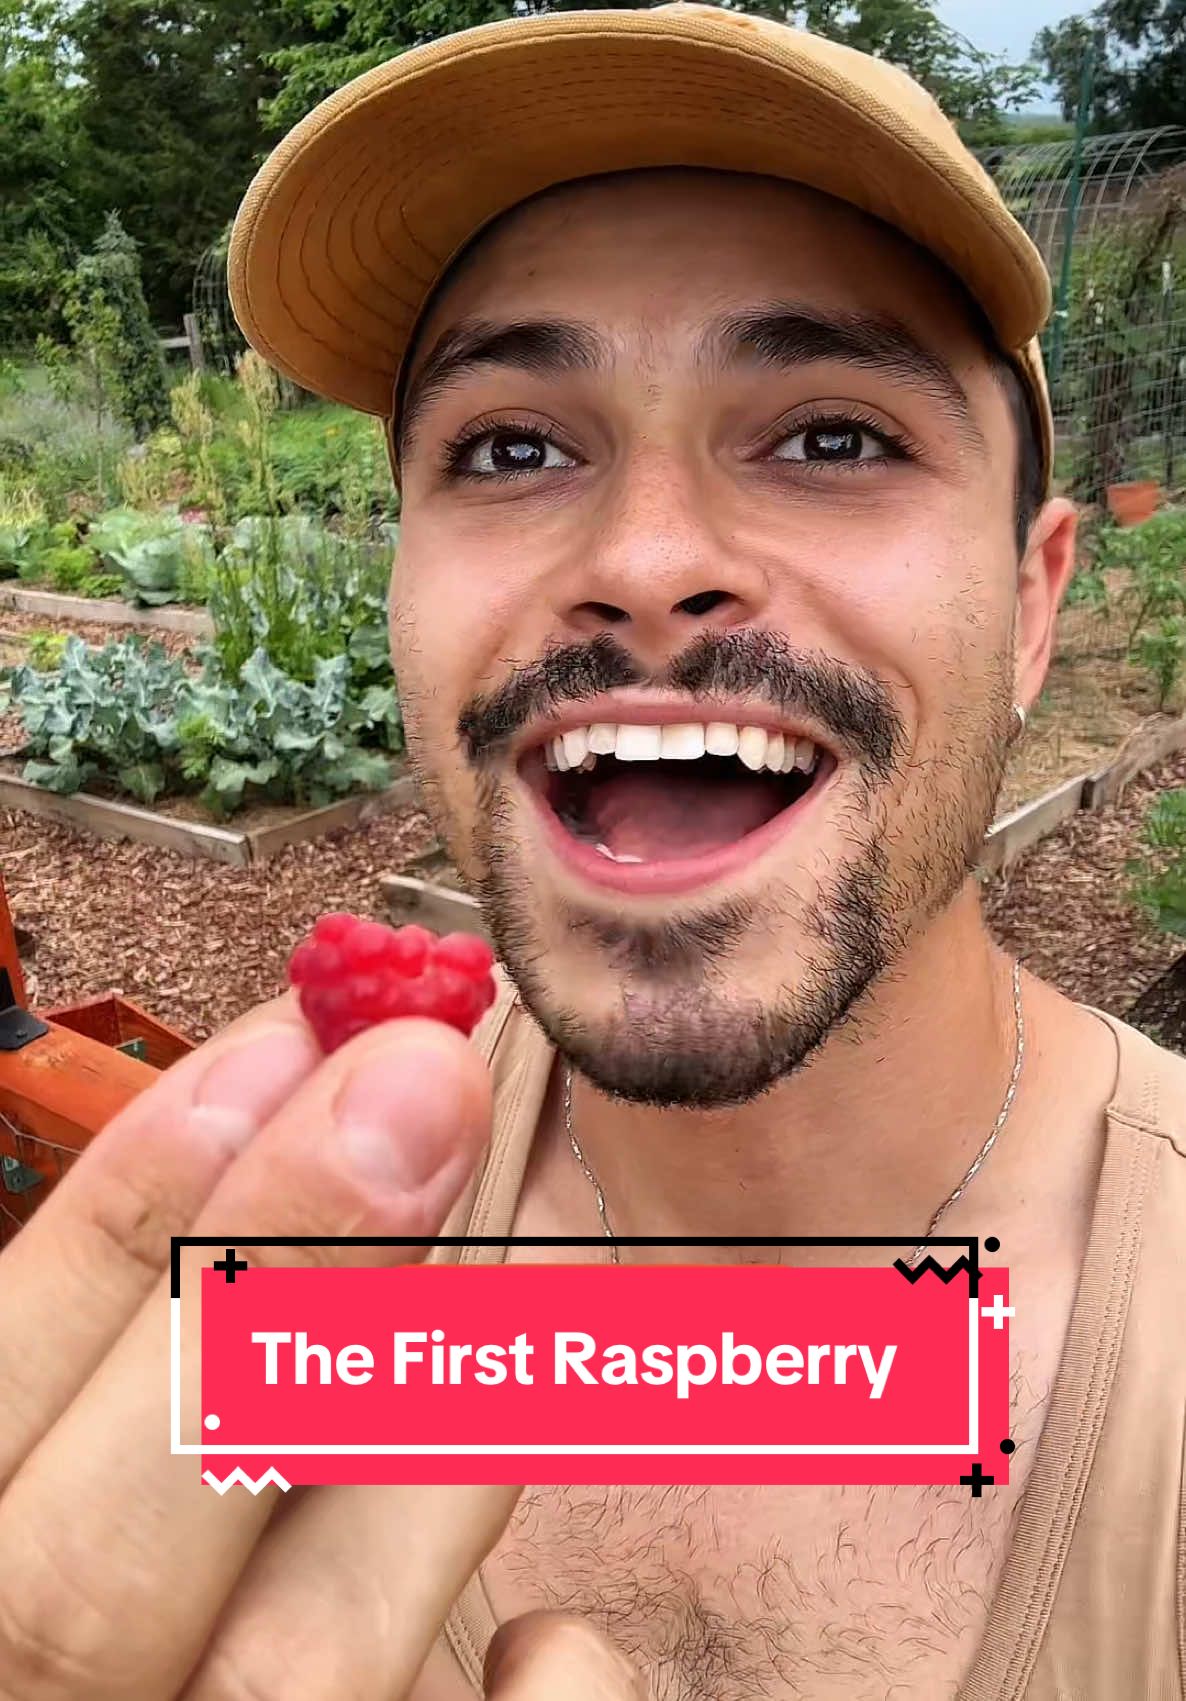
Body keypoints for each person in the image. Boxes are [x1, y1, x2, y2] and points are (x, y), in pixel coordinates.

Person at [0, 6, 1182, 1699]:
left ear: (1030, 602)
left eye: (832, 435)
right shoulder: (293, 1244)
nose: (642, 558)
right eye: (511, 448)